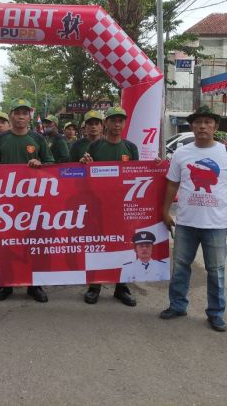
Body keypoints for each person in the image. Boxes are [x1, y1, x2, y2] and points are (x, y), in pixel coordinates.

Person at [160, 105, 227, 332]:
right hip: (186, 222)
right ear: (192, 126)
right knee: (180, 266)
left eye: (208, 122)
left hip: (216, 224)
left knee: (216, 270)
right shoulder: (181, 153)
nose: (202, 126)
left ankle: (216, 313)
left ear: (215, 126)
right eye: (198, 122)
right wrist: (165, 211)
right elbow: (172, 184)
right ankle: (177, 305)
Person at [0, 98, 54, 303]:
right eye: (17, 112)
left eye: (25, 113)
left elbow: (52, 163)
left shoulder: (38, 139)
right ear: (11, 116)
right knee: (6, 241)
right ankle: (6, 284)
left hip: (32, 200)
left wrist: (40, 162)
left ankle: (34, 285)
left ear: (29, 117)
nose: (21, 116)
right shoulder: (0, 139)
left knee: (32, 241)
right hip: (5, 201)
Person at [80, 106, 139, 306]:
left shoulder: (131, 148)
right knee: (98, 245)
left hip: (123, 207)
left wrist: (156, 166)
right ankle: (94, 286)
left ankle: (121, 287)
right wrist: (84, 165)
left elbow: (138, 175)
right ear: (106, 123)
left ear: (124, 123)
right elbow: (85, 177)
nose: (116, 124)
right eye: (113, 120)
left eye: (120, 120)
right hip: (99, 207)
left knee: (124, 245)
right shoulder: (95, 147)